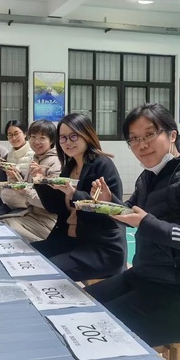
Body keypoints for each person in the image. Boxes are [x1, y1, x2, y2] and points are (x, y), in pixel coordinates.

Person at [85, 103, 180, 347]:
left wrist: (147, 223)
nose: (142, 145)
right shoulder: (149, 176)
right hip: (145, 277)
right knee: (78, 307)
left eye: (149, 134)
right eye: (134, 139)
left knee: (96, 332)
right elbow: (132, 213)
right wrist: (110, 202)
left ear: (172, 135)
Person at [32, 113, 127, 281]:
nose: (68, 142)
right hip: (70, 240)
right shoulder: (70, 167)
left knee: (43, 271)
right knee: (26, 254)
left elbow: (111, 213)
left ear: (86, 134)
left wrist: (73, 194)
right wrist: (40, 183)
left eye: (73, 136)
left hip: (100, 248)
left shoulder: (102, 164)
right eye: (63, 138)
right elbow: (55, 208)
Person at [0, 120, 60, 241]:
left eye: (42, 138)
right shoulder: (35, 159)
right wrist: (15, 177)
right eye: (33, 137)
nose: (36, 142)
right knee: (1, 223)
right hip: (31, 214)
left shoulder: (55, 163)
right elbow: (27, 185)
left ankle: (40, 249)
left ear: (52, 140)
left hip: (48, 220)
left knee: (7, 228)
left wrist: (24, 188)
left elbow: (50, 204)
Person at [0, 120, 35, 216]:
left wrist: (17, 174)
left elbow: (33, 183)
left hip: (27, 204)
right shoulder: (9, 155)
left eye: (16, 134)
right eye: (10, 135)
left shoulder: (34, 154)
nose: (13, 138)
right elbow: (2, 180)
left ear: (25, 134)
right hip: (10, 202)